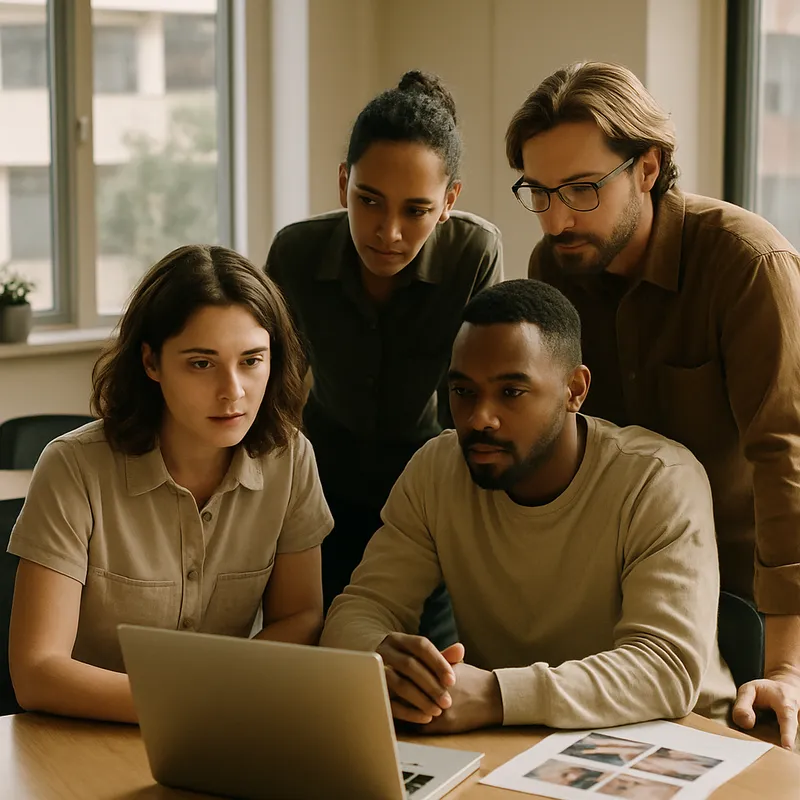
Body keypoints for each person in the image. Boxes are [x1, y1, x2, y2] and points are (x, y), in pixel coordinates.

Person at [505, 61, 800, 749]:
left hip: (750, 594)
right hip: (624, 589)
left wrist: (788, 667)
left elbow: (785, 462)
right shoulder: (554, 267)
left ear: (647, 167)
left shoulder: (745, 263)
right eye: (539, 192)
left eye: (581, 190)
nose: (557, 219)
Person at [320, 279, 735, 734]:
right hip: (517, 743)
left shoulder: (659, 479)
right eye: (464, 392)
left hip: (683, 745)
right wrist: (385, 658)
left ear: (574, 390)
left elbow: (664, 670)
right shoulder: (436, 471)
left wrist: (495, 695)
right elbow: (357, 610)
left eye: (511, 392)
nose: (480, 418)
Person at [7, 245, 333, 724]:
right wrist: (195, 701)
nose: (233, 391)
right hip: (83, 738)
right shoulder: (72, 467)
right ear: (152, 362)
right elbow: (36, 672)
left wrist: (218, 695)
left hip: (218, 734)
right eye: (202, 363)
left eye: (251, 360)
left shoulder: (291, 458)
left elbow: (300, 617)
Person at [265, 71, 502, 638]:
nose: (388, 232)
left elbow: (473, 395)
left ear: (449, 202)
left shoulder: (473, 252)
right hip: (318, 496)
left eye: (416, 210)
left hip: (423, 502)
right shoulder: (295, 252)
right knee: (316, 665)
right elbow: (269, 393)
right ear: (342, 180)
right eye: (367, 200)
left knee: (424, 666)